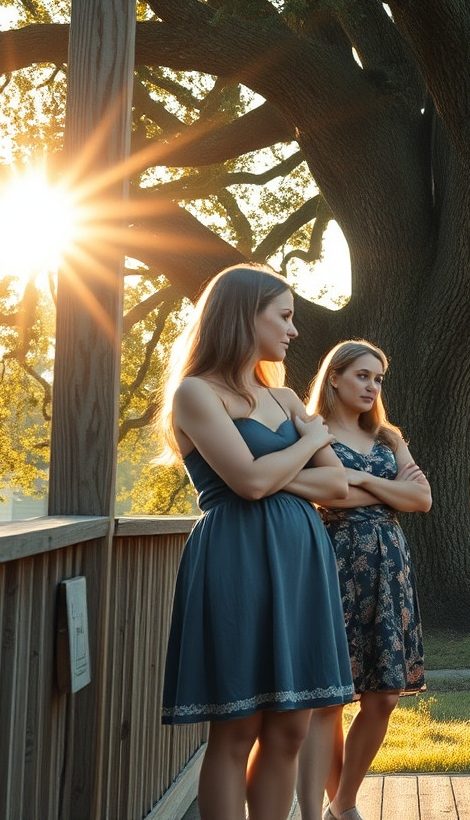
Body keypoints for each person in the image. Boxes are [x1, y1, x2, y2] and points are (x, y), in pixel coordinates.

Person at [158, 264, 354, 820]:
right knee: (237, 724)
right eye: (284, 316)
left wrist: (268, 469)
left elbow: (336, 484)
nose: (293, 330)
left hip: (300, 561)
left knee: (291, 724)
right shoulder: (196, 394)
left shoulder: (287, 397)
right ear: (246, 315)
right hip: (236, 558)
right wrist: (307, 442)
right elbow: (245, 484)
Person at [297, 340, 431, 820]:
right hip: (333, 562)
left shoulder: (388, 438)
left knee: (384, 695)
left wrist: (368, 482)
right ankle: (336, 810)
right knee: (331, 694)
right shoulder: (311, 432)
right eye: (362, 376)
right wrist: (387, 491)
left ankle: (343, 800)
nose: (372, 387)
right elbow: (333, 498)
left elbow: (421, 500)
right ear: (334, 377)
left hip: (389, 565)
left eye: (378, 379)